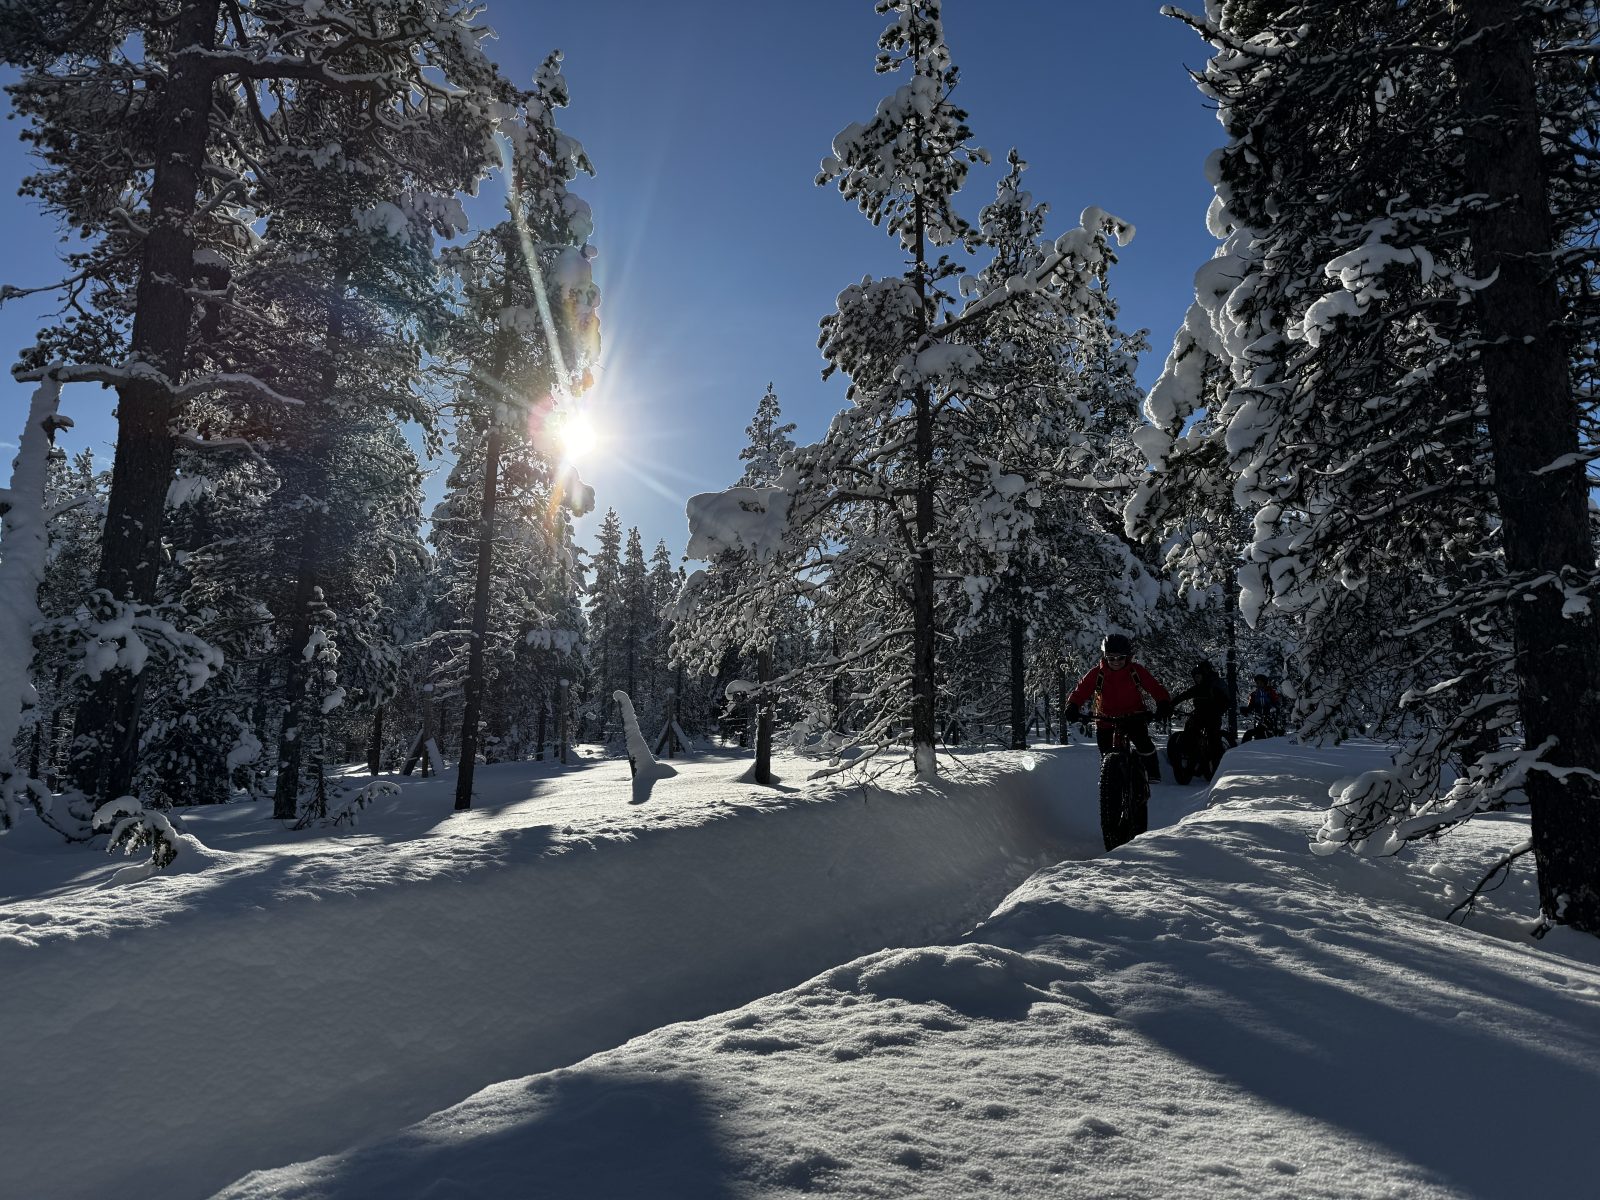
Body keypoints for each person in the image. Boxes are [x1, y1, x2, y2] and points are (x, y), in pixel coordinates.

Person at [1063, 633, 1170, 782]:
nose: (1116, 661)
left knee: (1143, 744)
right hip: (1105, 719)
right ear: (1105, 656)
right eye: (1111, 657)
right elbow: (1080, 691)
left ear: (1127, 656)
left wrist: (1163, 703)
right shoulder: (1097, 674)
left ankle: (1152, 771)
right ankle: (1109, 784)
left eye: (1120, 657)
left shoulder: (1136, 671)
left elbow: (1155, 687)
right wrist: (1073, 706)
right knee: (1106, 756)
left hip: (1133, 716)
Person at [1166, 660, 1231, 781]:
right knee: (1190, 731)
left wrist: (1217, 710)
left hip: (1213, 716)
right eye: (1195, 677)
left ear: (1204, 674)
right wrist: (1170, 705)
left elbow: (1225, 702)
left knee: (1213, 740)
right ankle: (1190, 761)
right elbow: (1184, 695)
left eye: (1198, 676)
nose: (1196, 679)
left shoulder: (1215, 686)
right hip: (1199, 714)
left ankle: (1217, 769)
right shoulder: (1198, 688)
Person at [1241, 673, 1283, 740]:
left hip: (1270, 717)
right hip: (1259, 718)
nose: (1259, 684)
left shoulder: (1270, 692)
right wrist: (1246, 710)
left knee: (1270, 733)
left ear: (1265, 683)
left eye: (1261, 683)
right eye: (1257, 683)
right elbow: (1251, 705)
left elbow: (1277, 703)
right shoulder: (1254, 694)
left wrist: (1272, 708)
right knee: (1258, 734)